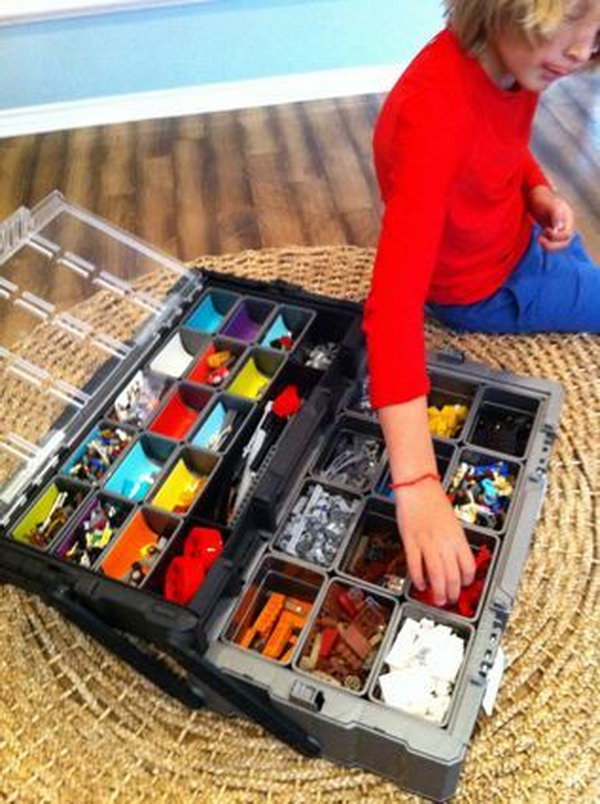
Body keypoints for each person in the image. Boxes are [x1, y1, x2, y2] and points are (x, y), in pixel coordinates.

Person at [363, 0, 600, 607]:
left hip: (519, 237)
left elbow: (503, 141)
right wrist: (416, 481)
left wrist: (537, 190)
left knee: (580, 271)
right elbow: (391, 306)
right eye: (575, 13)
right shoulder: (435, 113)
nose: (582, 48)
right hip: (481, 290)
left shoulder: (513, 62)